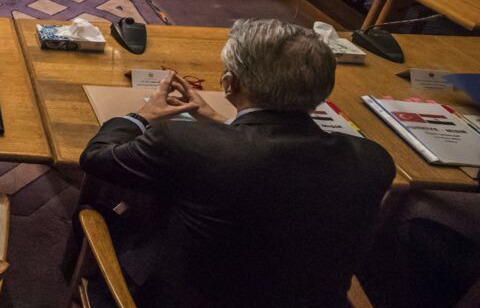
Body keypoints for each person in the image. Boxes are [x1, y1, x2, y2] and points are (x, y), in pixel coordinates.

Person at [79, 19, 395, 308]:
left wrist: (141, 116)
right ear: (323, 90)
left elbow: (97, 158)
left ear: (230, 83)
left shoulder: (185, 141)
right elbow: (275, 171)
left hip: (180, 296)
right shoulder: (372, 160)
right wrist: (223, 122)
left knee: (109, 209)